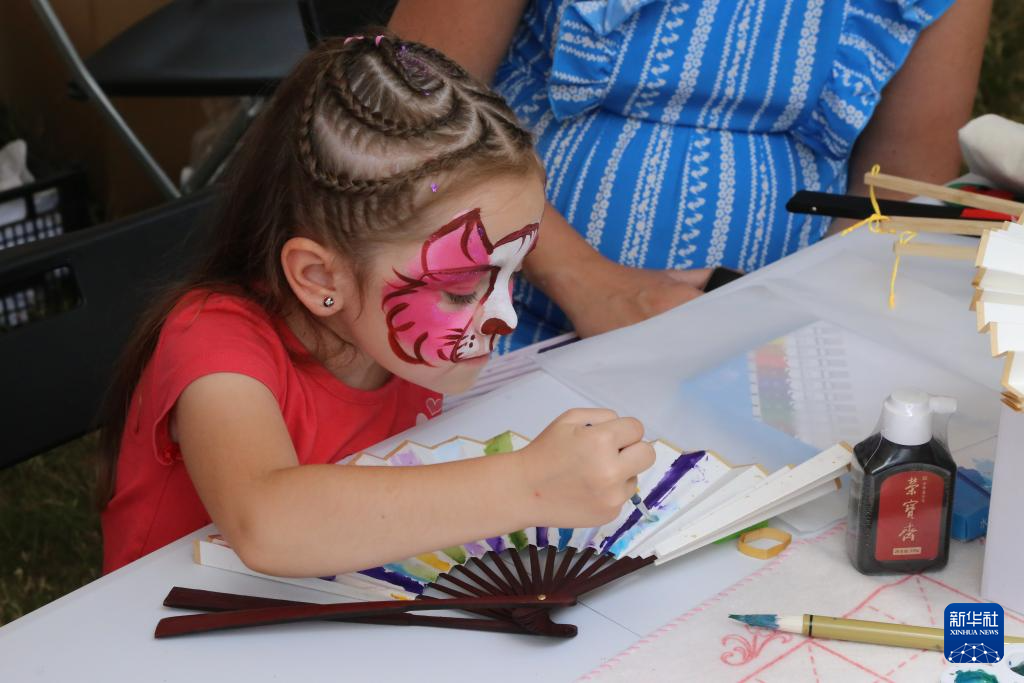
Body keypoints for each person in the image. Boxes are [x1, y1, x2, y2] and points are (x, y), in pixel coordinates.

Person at [98, 35, 655, 575]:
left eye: (515, 270)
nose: (505, 317)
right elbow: (267, 523)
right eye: (460, 289)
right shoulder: (213, 342)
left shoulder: (383, 340)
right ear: (320, 277)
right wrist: (529, 484)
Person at [389, 0, 991, 350]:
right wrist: (585, 281)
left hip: (770, 351)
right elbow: (408, 115)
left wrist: (800, 322)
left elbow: (900, 191)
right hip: (493, 312)